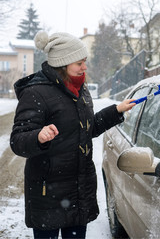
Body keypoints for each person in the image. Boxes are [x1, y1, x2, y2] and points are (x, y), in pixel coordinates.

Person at [10, 31, 136, 239]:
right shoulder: (36, 93)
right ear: (63, 63)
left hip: (78, 191)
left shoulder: (81, 90)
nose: (84, 67)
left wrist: (116, 111)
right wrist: (38, 137)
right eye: (79, 63)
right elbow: (17, 141)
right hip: (48, 194)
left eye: (84, 61)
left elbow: (86, 129)